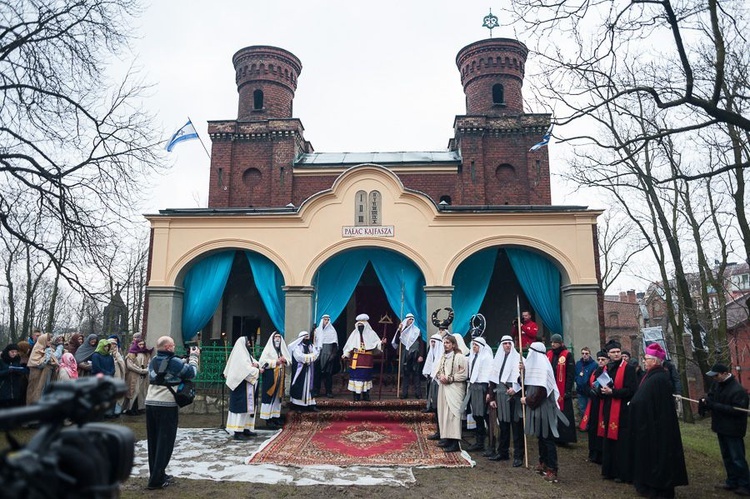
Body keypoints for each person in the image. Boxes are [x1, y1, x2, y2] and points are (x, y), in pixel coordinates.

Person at [629, 343, 688, 498]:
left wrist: (636, 404)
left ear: (655, 361)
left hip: (657, 428)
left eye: (646, 358)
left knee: (658, 459)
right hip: (649, 426)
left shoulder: (659, 379)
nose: (644, 361)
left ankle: (658, 489)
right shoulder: (651, 376)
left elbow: (651, 403)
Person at [145, 336, 200, 490]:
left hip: (151, 403)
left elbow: (162, 374)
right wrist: (194, 357)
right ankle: (156, 481)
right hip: (167, 405)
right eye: (173, 345)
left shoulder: (154, 360)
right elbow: (191, 373)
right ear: (168, 347)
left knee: (154, 441)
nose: (174, 348)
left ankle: (157, 473)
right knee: (165, 442)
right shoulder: (174, 361)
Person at [521, 341, 569, 483]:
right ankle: (543, 462)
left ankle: (552, 468)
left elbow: (542, 391)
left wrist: (528, 400)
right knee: (540, 437)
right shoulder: (532, 366)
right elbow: (525, 383)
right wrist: (522, 372)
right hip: (537, 408)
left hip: (544, 408)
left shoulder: (542, 367)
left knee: (547, 438)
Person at [700, 363, 750, 496]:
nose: (714, 378)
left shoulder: (738, 390)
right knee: (727, 456)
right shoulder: (717, 384)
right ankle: (732, 481)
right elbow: (711, 396)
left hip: (733, 429)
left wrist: (715, 406)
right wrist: (705, 402)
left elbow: (737, 411)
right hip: (720, 426)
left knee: (737, 458)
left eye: (716, 375)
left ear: (724, 373)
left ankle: (745, 484)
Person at [598, 339, 637, 483]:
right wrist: (601, 391)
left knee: (621, 443)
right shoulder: (607, 369)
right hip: (609, 408)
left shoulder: (628, 368)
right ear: (608, 354)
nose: (616, 354)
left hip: (622, 411)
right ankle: (609, 470)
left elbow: (631, 390)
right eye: (613, 352)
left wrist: (613, 392)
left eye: (618, 352)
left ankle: (622, 473)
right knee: (609, 441)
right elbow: (603, 385)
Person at [487, 335, 524, 466]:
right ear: (502, 345)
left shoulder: (518, 359)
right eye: (505, 344)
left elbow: (523, 379)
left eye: (509, 343)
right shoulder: (498, 359)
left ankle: (519, 455)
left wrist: (516, 389)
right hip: (500, 395)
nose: (507, 346)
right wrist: (491, 397)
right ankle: (503, 452)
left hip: (514, 396)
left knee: (516, 426)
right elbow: (492, 379)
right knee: (503, 425)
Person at [434, 334, 468, 453]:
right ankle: (447, 438)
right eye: (444, 343)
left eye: (448, 343)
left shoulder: (460, 357)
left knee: (454, 414)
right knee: (445, 413)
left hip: (455, 388)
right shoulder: (444, 357)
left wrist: (450, 378)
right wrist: (440, 376)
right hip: (444, 388)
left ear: (453, 344)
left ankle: (455, 442)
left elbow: (463, 374)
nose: (446, 345)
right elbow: (438, 370)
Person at [223, 336, 260, 440]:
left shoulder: (246, 354)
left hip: (247, 386)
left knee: (248, 408)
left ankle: (246, 428)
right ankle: (238, 431)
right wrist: (256, 370)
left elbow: (256, 363)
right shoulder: (239, 355)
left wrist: (256, 366)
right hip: (240, 387)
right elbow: (246, 370)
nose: (249, 344)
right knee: (241, 408)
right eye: (247, 342)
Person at [342, 314, 383, 402]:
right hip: (356, 360)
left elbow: (377, 343)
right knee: (356, 377)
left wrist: (381, 343)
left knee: (366, 377)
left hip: (367, 360)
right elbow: (348, 346)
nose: (360, 327)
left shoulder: (371, 333)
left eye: (362, 326)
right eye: (359, 326)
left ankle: (366, 395)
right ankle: (356, 395)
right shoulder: (354, 334)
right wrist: (345, 354)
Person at [462, 336, 493, 452]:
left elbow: (488, 376)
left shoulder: (486, 358)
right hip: (474, 386)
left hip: (482, 387)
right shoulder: (472, 356)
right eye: (473, 345)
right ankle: (479, 441)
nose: (474, 347)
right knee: (476, 414)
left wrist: (488, 392)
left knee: (483, 414)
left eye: (476, 345)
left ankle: (489, 442)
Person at [546, 334, 576, 444]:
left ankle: (565, 438)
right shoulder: (549, 354)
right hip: (552, 388)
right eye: (552, 342)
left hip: (563, 390)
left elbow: (570, 374)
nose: (553, 344)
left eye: (555, 342)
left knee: (564, 413)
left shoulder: (567, 355)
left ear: (560, 343)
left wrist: (568, 389)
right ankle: (553, 435)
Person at [580, 350, 608, 464]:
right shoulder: (595, 371)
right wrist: (590, 391)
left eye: (603, 360)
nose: (600, 362)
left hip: (602, 403)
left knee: (600, 429)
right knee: (592, 428)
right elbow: (587, 384)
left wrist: (599, 392)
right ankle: (592, 453)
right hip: (593, 404)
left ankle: (600, 454)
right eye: (599, 359)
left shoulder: (608, 371)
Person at [259, 331, 291, 426]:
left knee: (278, 397)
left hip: (280, 377)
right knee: (269, 396)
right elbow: (262, 362)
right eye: (276, 337)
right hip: (270, 376)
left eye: (279, 337)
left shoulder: (282, 350)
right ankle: (267, 418)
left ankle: (275, 416)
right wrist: (275, 362)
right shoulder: (268, 349)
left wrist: (284, 360)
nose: (277, 339)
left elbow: (289, 360)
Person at [391, 313, 424, 399]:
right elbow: (397, 342)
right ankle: (404, 393)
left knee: (416, 374)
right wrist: (399, 330)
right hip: (406, 355)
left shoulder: (417, 331)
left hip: (415, 354)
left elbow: (421, 344)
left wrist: (421, 355)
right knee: (406, 374)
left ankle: (418, 394)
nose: (411, 321)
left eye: (412, 319)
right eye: (409, 319)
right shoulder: (402, 331)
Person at [289, 330, 319, 411]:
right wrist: (310, 357)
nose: (307, 338)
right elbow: (299, 357)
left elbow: (316, 354)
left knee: (310, 386)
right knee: (300, 386)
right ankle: (298, 405)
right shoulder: (297, 347)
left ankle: (311, 404)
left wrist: (308, 357)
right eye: (305, 336)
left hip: (310, 370)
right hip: (300, 370)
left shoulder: (311, 346)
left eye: (307, 336)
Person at [26, 333, 59, 405]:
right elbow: (40, 364)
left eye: (50, 340)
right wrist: (46, 356)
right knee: (35, 393)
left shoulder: (50, 350)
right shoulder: (37, 350)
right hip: (37, 376)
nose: (50, 342)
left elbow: (55, 361)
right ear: (43, 341)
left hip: (48, 377)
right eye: (48, 340)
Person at [124, 337, 152, 415]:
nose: (141, 346)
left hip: (143, 376)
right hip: (134, 375)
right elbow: (130, 365)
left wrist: (146, 370)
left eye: (143, 344)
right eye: (140, 344)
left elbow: (149, 363)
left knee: (141, 392)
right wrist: (140, 370)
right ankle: (130, 408)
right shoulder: (131, 353)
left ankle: (139, 408)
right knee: (133, 392)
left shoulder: (146, 354)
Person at [313, 314, 338, 398]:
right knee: (317, 374)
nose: (326, 321)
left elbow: (335, 346)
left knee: (328, 375)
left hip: (328, 355)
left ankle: (328, 392)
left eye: (327, 320)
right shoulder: (317, 331)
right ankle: (316, 391)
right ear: (322, 320)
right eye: (325, 320)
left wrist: (333, 355)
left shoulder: (332, 331)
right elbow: (314, 344)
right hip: (318, 355)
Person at [0, 343, 28, 408]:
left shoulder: (18, 360)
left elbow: (25, 371)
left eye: (16, 352)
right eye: (12, 352)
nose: (14, 354)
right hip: (3, 391)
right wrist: (8, 371)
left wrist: (19, 370)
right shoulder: (1, 361)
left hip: (16, 392)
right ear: (7, 351)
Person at [574, 346, 597, 422]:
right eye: (583, 353)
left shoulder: (594, 365)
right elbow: (575, 374)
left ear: (590, 354)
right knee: (582, 409)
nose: (584, 355)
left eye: (586, 353)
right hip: (580, 391)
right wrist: (577, 380)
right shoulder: (578, 364)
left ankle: (590, 425)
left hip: (589, 391)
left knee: (590, 409)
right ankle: (584, 425)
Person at [423, 332, 443, 414]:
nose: (433, 343)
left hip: (438, 378)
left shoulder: (442, 353)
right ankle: (429, 407)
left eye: (434, 342)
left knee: (436, 395)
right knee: (430, 393)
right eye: (432, 342)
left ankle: (436, 409)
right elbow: (429, 363)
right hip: (431, 377)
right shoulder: (431, 352)